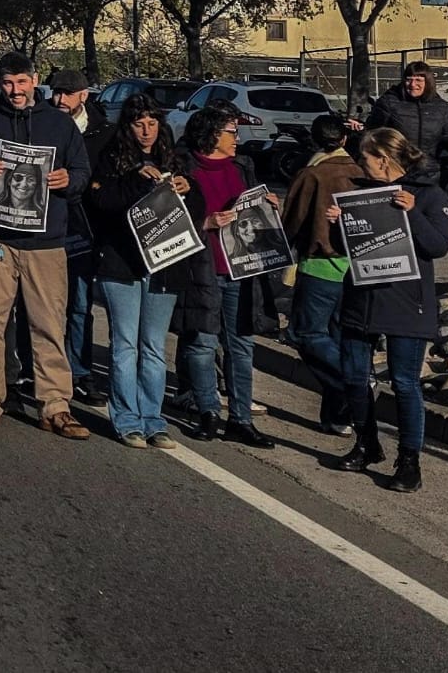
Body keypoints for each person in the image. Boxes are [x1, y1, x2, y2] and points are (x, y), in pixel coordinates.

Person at [0, 52, 92, 438]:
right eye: (8, 83)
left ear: (34, 81)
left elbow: (82, 173)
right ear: (0, 84)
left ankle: (55, 404)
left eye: (21, 82)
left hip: (45, 242)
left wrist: (69, 180)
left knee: (48, 324)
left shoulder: (60, 126)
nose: (15, 91)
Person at [326, 127, 448, 491]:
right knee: (353, 374)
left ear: (383, 158)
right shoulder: (360, 192)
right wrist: (339, 226)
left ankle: (409, 460)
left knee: (405, 382)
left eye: (365, 160)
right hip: (362, 298)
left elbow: (438, 246)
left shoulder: (429, 194)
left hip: (406, 301)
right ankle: (366, 443)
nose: (361, 166)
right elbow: (347, 247)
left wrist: (412, 213)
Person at [84, 96, 190, 449]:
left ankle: (153, 419)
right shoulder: (111, 159)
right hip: (122, 264)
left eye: (152, 122)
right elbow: (100, 203)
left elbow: (196, 212)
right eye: (138, 123)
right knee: (125, 345)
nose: (146, 130)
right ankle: (127, 419)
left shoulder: (173, 159)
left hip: (164, 264)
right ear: (127, 126)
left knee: (154, 347)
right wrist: (133, 180)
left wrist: (190, 189)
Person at [174, 103, 276, 448]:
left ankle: (241, 419)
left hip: (241, 270)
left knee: (241, 345)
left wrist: (269, 207)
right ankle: (207, 411)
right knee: (201, 343)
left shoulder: (243, 167)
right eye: (232, 132)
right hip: (201, 267)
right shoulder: (183, 169)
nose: (237, 138)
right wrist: (206, 223)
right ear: (212, 135)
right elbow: (167, 220)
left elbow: (254, 210)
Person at [283, 113, 362, 435]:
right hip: (354, 267)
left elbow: (292, 220)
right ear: (344, 139)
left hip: (319, 264)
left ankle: (351, 380)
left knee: (306, 334)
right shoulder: (361, 172)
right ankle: (337, 416)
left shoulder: (312, 174)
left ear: (314, 140)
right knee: (339, 337)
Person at [47, 68, 108, 402]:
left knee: (80, 305)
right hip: (45, 226)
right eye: (56, 92)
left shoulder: (102, 131)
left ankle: (80, 372)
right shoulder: (40, 120)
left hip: (83, 230)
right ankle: (33, 369)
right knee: (40, 305)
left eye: (67, 93)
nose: (60, 99)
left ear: (84, 95)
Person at [360, 61, 448, 162]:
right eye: (408, 80)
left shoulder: (441, 107)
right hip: (396, 168)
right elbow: (374, 132)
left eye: (418, 80)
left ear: (428, 82)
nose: (412, 84)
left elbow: (447, 137)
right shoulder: (389, 102)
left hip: (429, 170)